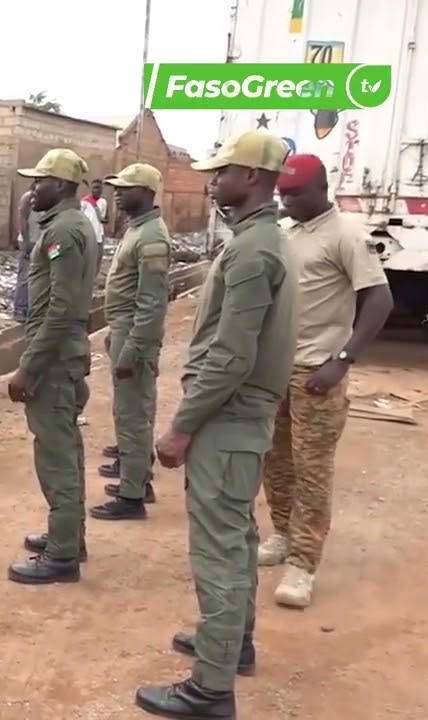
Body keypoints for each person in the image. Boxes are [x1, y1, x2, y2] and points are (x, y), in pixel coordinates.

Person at [137, 130, 299, 719]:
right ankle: (233, 644)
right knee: (238, 538)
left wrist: (182, 425)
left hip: (227, 416)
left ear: (251, 177)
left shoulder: (255, 250)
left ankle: (210, 687)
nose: (211, 180)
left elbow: (232, 354)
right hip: (238, 414)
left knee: (221, 549)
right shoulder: (257, 240)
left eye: (222, 171)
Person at [259, 152, 392, 608]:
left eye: (295, 194)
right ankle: (281, 532)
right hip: (275, 367)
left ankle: (303, 562)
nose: (287, 202)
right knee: (274, 459)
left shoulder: (347, 236)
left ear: (322, 189)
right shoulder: (285, 232)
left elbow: (379, 301)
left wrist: (343, 359)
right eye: (282, 195)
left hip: (317, 372)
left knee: (311, 468)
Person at [7, 149, 96, 586]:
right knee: (65, 447)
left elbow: (59, 310)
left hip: (55, 357)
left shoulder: (64, 229)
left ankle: (62, 555)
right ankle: (68, 536)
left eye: (40, 181)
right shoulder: (65, 224)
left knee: (57, 453)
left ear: (60, 185)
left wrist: (28, 367)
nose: (32, 188)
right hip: (61, 352)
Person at [90, 163, 170, 520]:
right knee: (131, 409)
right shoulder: (138, 229)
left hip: (135, 333)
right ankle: (136, 476)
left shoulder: (151, 236)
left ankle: (132, 495)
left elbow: (152, 302)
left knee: (133, 413)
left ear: (147, 192)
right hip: (126, 327)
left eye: (126, 188)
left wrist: (132, 350)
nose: (118, 193)